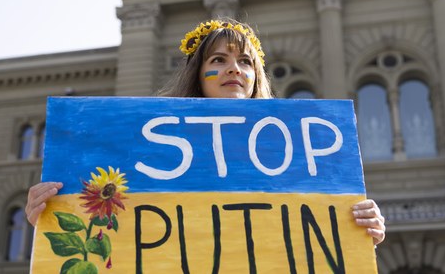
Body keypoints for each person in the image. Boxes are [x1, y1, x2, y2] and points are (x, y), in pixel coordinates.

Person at [26, 18, 386, 245]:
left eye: (245, 62)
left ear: (256, 77)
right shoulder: (155, 145)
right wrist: (51, 216)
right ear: (198, 73)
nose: (234, 69)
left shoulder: (294, 149)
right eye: (219, 60)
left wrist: (360, 231)